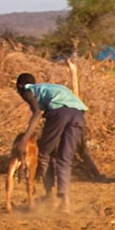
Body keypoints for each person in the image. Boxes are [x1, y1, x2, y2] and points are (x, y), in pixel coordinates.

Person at [15, 72, 89, 212]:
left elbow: (37, 113)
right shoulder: (47, 88)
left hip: (59, 113)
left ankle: (49, 195)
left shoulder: (27, 90)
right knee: (64, 158)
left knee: (43, 153)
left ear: (19, 86)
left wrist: (25, 139)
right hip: (79, 115)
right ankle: (65, 202)